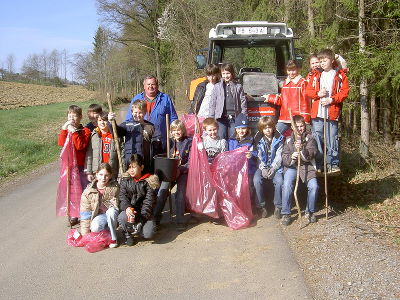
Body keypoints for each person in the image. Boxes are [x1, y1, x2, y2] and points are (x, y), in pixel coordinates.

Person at [306, 49, 349, 173]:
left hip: (332, 112)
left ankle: (333, 164)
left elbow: (344, 92)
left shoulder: (339, 75)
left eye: (325, 60)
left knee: (332, 138)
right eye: (320, 61)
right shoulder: (315, 75)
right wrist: (318, 94)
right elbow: (308, 91)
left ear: (331, 61)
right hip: (317, 113)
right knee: (317, 138)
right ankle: (318, 164)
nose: (322, 63)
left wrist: (331, 100)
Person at [154, 120, 192, 231]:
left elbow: (191, 161)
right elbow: (163, 158)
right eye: (174, 130)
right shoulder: (169, 142)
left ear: (183, 130)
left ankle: (180, 220)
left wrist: (181, 169)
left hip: (183, 171)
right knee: (162, 190)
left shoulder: (188, 142)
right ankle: (155, 218)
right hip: (169, 172)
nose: (176, 132)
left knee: (180, 193)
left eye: (178, 130)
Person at [281, 115, 319, 226]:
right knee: (286, 184)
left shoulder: (310, 138)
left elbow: (312, 153)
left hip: (307, 166)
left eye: (301, 126)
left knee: (314, 186)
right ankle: (286, 213)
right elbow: (284, 157)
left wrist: (302, 150)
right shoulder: (288, 140)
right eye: (296, 126)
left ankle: (310, 212)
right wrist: (292, 157)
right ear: (292, 127)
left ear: (305, 126)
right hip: (292, 167)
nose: (299, 129)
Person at [58, 105, 91, 226]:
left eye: (74, 115)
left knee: (82, 190)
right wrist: (64, 129)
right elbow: (61, 143)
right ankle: (73, 214)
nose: (72, 118)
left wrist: (74, 132)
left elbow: (80, 146)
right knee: (71, 191)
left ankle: (85, 213)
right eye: (69, 115)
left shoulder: (85, 131)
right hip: (69, 166)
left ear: (80, 117)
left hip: (81, 165)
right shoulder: (67, 130)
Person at [109, 100, 163, 173]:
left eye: (140, 113)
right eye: (135, 112)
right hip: (129, 163)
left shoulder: (151, 127)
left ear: (145, 113)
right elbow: (117, 132)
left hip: (146, 163)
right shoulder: (127, 125)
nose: (137, 115)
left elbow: (157, 145)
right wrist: (111, 122)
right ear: (132, 112)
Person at [125, 75, 178, 150]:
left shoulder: (165, 99)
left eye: (153, 84)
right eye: (148, 84)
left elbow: (173, 118)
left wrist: (175, 132)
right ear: (144, 86)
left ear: (157, 85)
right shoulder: (137, 98)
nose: (150, 86)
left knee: (158, 161)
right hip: (140, 141)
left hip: (160, 141)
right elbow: (128, 119)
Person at [118, 154, 160, 246]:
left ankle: (137, 228)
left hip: (145, 214)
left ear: (141, 167)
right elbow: (122, 197)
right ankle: (127, 234)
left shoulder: (149, 181)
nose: (131, 170)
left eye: (134, 167)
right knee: (122, 217)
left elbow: (148, 203)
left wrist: (142, 220)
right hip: (131, 212)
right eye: (129, 167)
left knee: (148, 234)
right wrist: (127, 208)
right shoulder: (125, 180)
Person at [263, 60, 311, 135]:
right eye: (289, 70)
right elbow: (282, 99)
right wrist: (269, 98)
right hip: (284, 118)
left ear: (298, 69)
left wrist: (305, 120)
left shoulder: (303, 83)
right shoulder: (285, 83)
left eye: (293, 70)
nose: (291, 73)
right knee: (276, 135)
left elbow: (306, 103)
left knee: (300, 138)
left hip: (298, 118)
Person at [79, 163, 119, 248]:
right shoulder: (88, 192)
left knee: (111, 211)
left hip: (113, 214)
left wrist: (115, 203)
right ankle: (106, 234)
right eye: (101, 174)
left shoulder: (115, 187)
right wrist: (85, 236)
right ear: (96, 174)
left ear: (110, 176)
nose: (103, 178)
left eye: (106, 175)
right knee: (95, 227)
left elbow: (121, 203)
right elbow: (85, 215)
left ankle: (113, 238)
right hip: (100, 216)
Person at [253, 116, 284, 219]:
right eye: (265, 128)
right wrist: (263, 168)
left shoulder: (279, 138)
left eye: (269, 127)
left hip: (275, 167)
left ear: (273, 127)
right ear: (261, 129)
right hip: (262, 166)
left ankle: (278, 207)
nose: (268, 130)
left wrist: (273, 168)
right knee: (257, 180)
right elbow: (258, 156)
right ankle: (261, 206)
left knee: (279, 181)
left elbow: (279, 156)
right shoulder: (258, 139)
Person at [208, 63, 247, 140]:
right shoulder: (217, 87)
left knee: (233, 138)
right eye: (224, 73)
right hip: (221, 118)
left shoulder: (238, 87)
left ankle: (232, 152)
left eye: (228, 73)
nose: (226, 76)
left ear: (232, 73)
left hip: (234, 117)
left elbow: (243, 103)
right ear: (221, 74)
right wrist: (211, 119)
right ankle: (223, 152)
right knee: (221, 137)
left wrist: (243, 117)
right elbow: (212, 104)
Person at [85, 112, 119, 181]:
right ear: (97, 122)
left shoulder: (115, 136)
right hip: (97, 172)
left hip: (111, 172)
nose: (102, 123)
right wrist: (89, 172)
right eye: (100, 120)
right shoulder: (94, 135)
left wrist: (121, 173)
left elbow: (121, 155)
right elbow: (90, 154)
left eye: (104, 120)